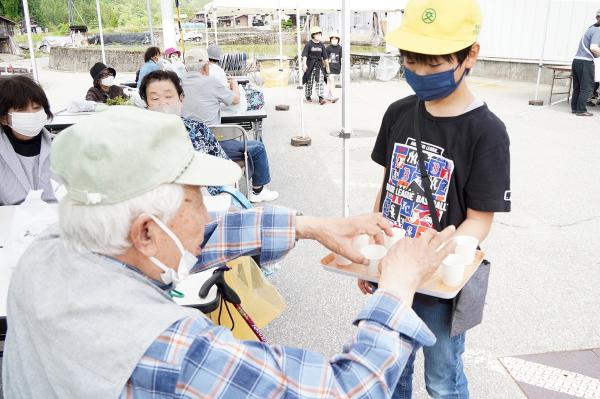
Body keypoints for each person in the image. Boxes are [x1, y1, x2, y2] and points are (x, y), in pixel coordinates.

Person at [3, 105, 458, 398]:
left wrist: (311, 227)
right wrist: (397, 287)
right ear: (145, 231)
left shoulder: (50, 250)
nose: (207, 212)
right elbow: (347, 389)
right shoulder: (167, 349)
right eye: (197, 197)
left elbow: (197, 237)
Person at [360, 0, 512, 397]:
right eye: (411, 60)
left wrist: (430, 261)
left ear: (470, 55)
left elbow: (480, 220)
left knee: (442, 379)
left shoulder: (487, 132)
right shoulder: (397, 112)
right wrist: (372, 253)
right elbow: (388, 184)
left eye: (434, 63)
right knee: (391, 371)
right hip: (392, 270)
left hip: (442, 284)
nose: (420, 72)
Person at [140, 70, 279, 202]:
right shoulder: (138, 137)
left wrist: (225, 196)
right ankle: (258, 190)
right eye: (155, 98)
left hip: (209, 202)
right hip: (160, 208)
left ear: (181, 98)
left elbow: (224, 167)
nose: (163, 103)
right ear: (146, 103)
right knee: (257, 148)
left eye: (169, 96)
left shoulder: (198, 130)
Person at [0, 75, 58, 205]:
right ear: (3, 118)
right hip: (10, 223)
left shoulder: (63, 147)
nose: (32, 114)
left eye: (37, 108)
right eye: (22, 110)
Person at [181, 48, 241, 126]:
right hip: (210, 134)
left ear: (186, 68)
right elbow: (236, 99)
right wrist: (234, 82)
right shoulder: (211, 81)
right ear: (206, 66)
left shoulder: (178, 82)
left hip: (187, 134)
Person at [571, 10, 600, 116]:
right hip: (585, 62)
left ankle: (575, 108)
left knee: (577, 87)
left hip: (577, 60)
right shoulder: (598, 30)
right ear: (598, 18)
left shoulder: (590, 29)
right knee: (587, 88)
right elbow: (594, 48)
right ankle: (581, 110)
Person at [302, 26, 329, 105]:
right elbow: (304, 55)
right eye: (317, 34)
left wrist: (327, 67)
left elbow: (325, 57)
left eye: (320, 34)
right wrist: (304, 65)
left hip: (319, 66)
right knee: (309, 81)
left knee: (320, 81)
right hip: (310, 65)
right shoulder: (309, 44)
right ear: (313, 35)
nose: (319, 36)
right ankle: (308, 95)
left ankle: (321, 97)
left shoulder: (321, 45)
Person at [325, 32, 342, 102]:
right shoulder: (328, 48)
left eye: (335, 39)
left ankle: (328, 96)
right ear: (330, 40)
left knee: (330, 82)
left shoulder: (340, 48)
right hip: (329, 68)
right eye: (332, 38)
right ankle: (333, 96)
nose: (334, 40)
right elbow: (325, 59)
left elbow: (341, 58)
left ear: (338, 40)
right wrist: (327, 67)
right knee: (331, 81)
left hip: (337, 68)